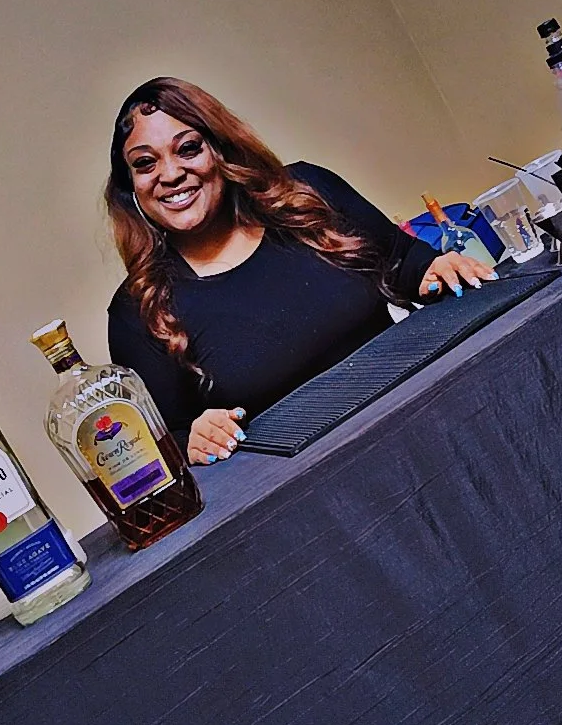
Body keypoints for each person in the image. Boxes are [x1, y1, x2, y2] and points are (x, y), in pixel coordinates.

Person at [105, 77, 497, 466]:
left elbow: (404, 260)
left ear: (221, 148)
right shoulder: (139, 310)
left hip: (426, 415)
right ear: (131, 187)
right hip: (319, 489)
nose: (170, 174)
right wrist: (196, 436)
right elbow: (165, 441)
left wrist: (436, 268)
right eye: (145, 163)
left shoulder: (308, 193)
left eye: (188, 148)